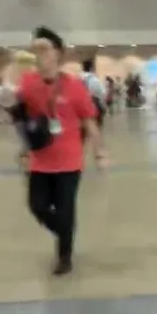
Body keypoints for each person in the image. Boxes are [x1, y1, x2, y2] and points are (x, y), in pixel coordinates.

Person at [17, 26, 106, 276]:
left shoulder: (75, 87)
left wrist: (100, 153)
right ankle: (65, 230)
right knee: (37, 206)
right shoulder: (28, 82)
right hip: (40, 160)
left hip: (69, 162)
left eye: (44, 49)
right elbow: (18, 113)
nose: (39, 55)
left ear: (58, 53)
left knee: (66, 208)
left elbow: (90, 122)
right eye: (35, 50)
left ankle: (64, 256)